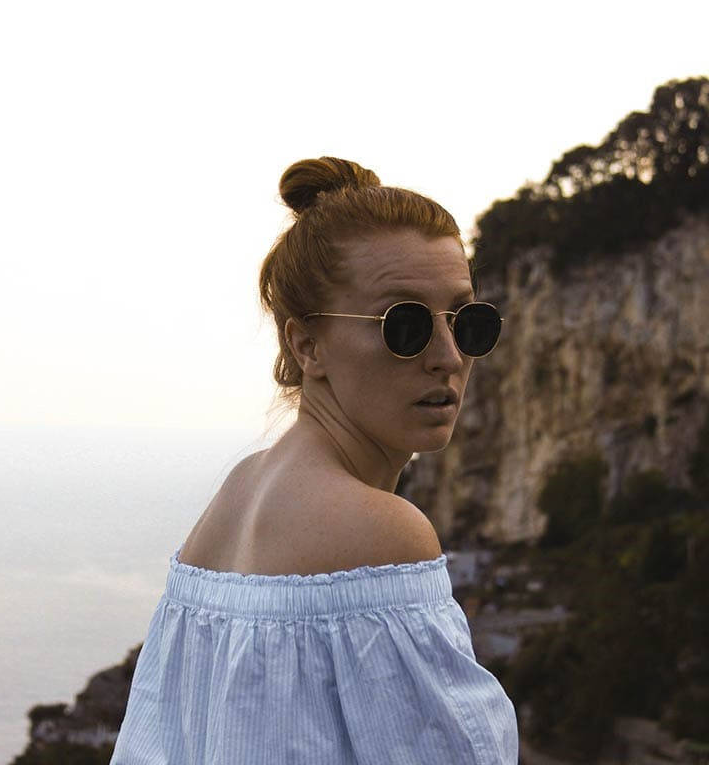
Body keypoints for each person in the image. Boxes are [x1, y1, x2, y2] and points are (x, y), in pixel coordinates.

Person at [110, 157, 518, 764]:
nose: (448, 356)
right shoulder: (382, 533)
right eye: (403, 324)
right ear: (306, 345)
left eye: (467, 321)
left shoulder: (237, 495)